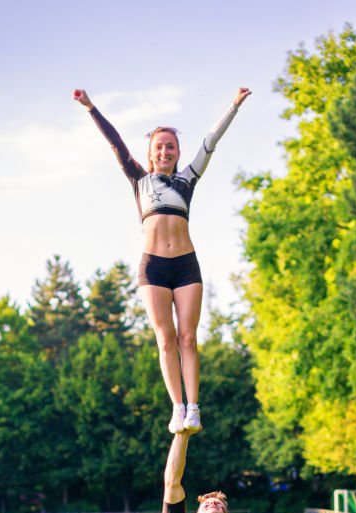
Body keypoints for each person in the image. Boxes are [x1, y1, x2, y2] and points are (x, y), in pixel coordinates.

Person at [73, 86, 251, 434]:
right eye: (159, 147)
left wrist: (233, 106)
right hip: (153, 268)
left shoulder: (187, 179)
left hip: (186, 267)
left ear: (178, 151)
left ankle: (194, 408)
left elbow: (210, 142)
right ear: (151, 153)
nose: (165, 151)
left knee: (188, 338)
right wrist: (91, 108)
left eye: (171, 146)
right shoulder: (139, 180)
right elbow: (116, 144)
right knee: (166, 339)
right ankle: (177, 407)